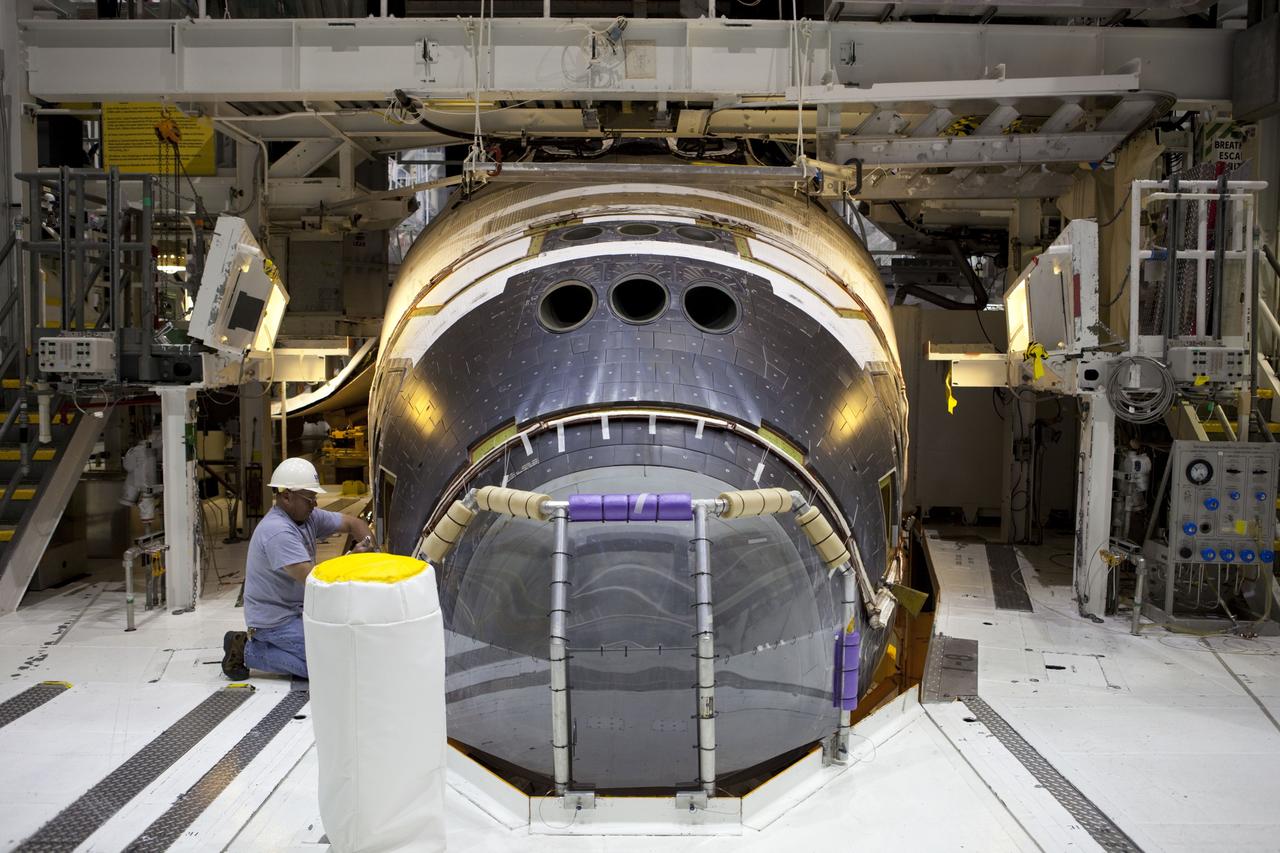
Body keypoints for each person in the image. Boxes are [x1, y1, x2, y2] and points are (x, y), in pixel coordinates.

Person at [221, 457, 373, 680]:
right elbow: (315, 580)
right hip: (275, 621)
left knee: (338, 651)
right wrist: (352, 558)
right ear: (286, 496)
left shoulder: (307, 516)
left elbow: (355, 524)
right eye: (309, 499)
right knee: (328, 667)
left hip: (298, 610)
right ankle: (246, 650)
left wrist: (377, 556)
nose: (315, 505)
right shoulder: (278, 532)